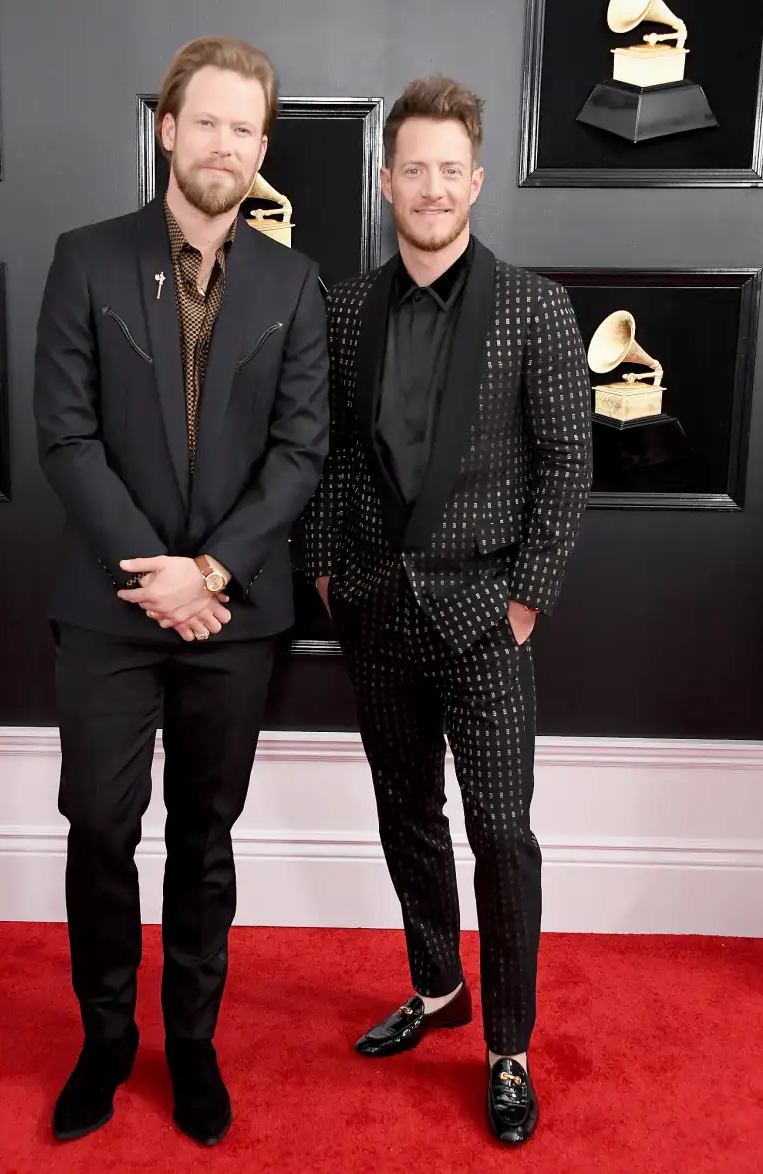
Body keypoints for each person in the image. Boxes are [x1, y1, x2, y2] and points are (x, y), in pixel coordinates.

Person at [33, 35, 329, 1147]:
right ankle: (106, 1040)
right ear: (167, 127)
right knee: (102, 828)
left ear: (262, 150)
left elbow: (299, 455)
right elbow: (64, 439)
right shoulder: (86, 258)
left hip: (233, 613)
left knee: (207, 836)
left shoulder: (295, 283)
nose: (226, 145)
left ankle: (190, 1043)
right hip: (108, 608)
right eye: (207, 122)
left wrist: (207, 574)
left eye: (246, 129)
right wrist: (156, 577)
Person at [302, 76, 592, 1146]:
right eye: (410, 169)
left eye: (448, 170)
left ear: (475, 179)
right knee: (405, 813)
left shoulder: (535, 306)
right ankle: (437, 986)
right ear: (387, 183)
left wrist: (526, 603)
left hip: (484, 621)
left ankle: (507, 1045)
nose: (430, 187)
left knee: (501, 833)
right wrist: (330, 572)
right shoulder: (343, 307)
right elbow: (329, 454)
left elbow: (567, 466)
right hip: (375, 609)